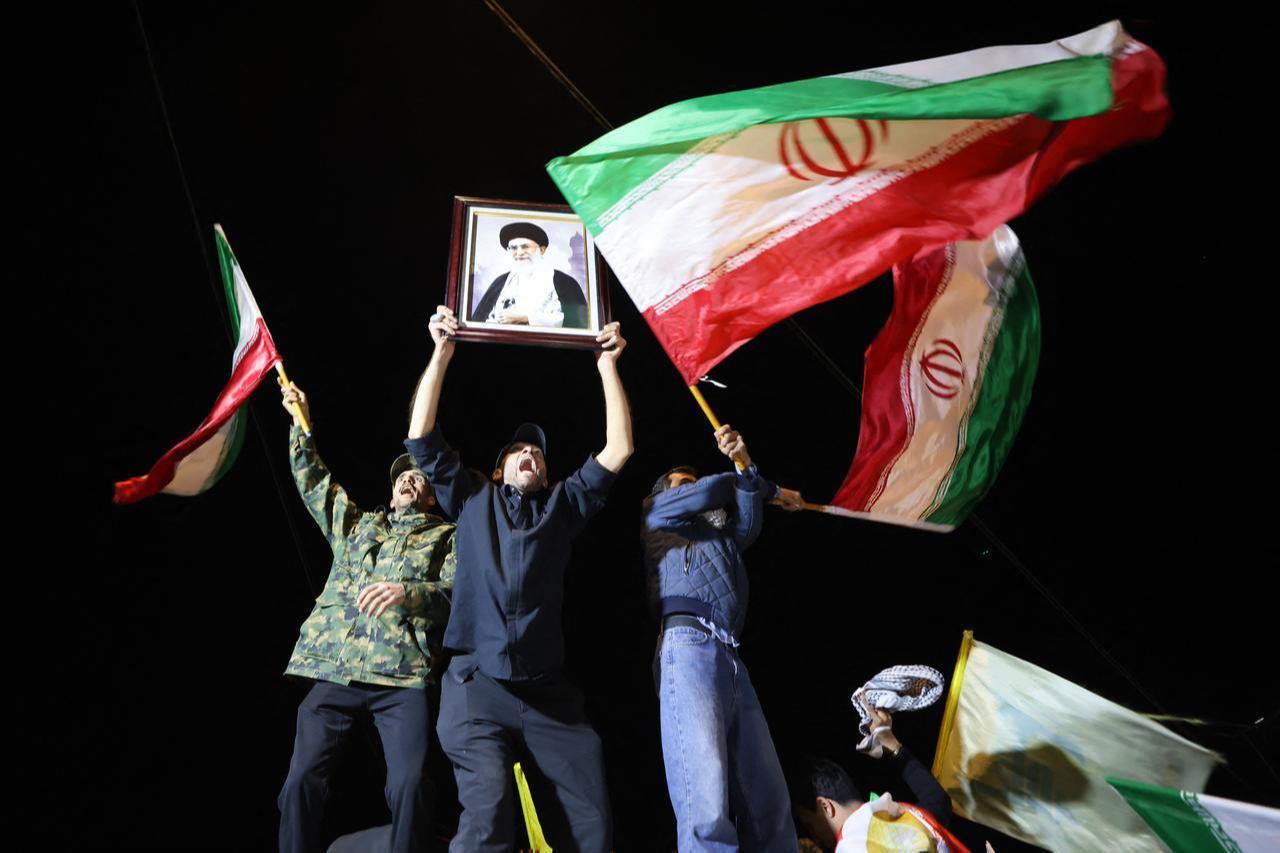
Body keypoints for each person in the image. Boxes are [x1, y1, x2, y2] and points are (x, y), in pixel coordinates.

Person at [404, 305, 632, 852]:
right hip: (476, 686)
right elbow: (421, 435)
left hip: (547, 693)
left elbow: (619, 449)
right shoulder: (473, 497)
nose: (530, 453)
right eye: (519, 451)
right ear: (501, 468)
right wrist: (442, 352)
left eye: (538, 453)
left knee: (593, 824)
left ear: (547, 474)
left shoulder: (564, 506)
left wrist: (607, 366)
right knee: (489, 817)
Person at [276, 381, 456, 853]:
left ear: (431, 496)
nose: (409, 478)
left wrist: (408, 593)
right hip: (336, 671)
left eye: (419, 476)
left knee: (410, 789)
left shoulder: (447, 538)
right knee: (298, 783)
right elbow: (314, 483)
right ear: (392, 490)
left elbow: (457, 598)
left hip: (401, 679)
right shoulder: (358, 527)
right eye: (402, 474)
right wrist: (302, 426)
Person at [642, 426, 805, 851]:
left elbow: (748, 523)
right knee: (706, 801)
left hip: (731, 657)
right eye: (684, 484)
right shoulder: (659, 513)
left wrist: (748, 471)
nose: (694, 488)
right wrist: (754, 479)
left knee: (769, 799)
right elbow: (712, 492)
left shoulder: (721, 539)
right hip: (688, 646)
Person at [789, 698, 962, 853]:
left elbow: (938, 801)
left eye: (809, 825)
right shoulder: (910, 817)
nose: (814, 838)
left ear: (825, 806)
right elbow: (938, 800)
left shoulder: (849, 846)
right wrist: (892, 745)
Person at [470, 221, 588, 328]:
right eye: (513, 248)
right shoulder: (501, 282)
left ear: (542, 250)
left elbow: (578, 322)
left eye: (525, 247)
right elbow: (480, 321)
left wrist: (526, 318)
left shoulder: (563, 282)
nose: (519, 253)